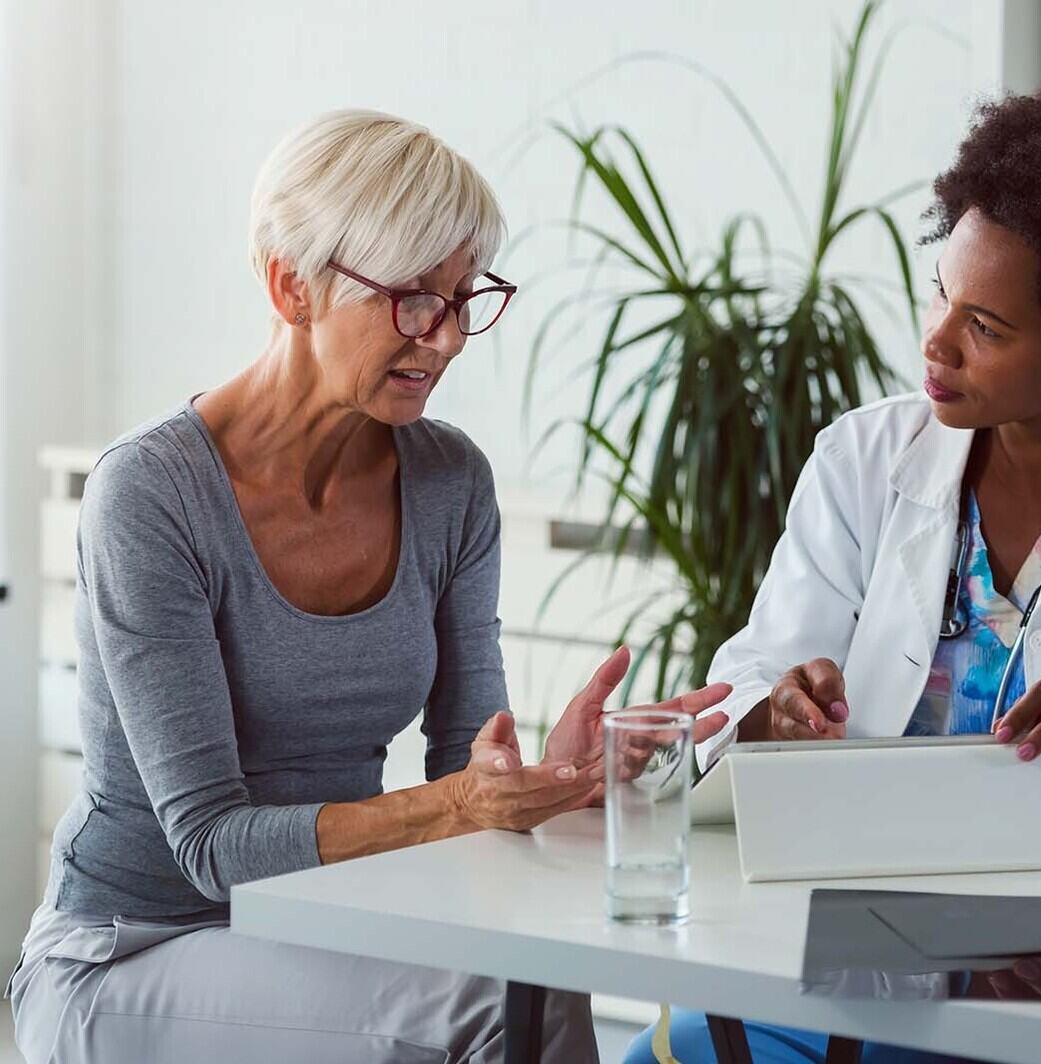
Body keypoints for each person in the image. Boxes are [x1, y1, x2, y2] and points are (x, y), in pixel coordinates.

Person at [4, 109, 730, 1064]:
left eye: (465, 297)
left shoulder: (450, 483)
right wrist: (466, 803)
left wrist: (546, 783)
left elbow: (463, 772)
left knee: (528, 989)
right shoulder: (150, 493)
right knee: (499, 1010)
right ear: (290, 285)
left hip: (323, 930)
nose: (447, 337)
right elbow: (212, 847)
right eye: (411, 298)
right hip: (131, 948)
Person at [627, 82, 1041, 1064]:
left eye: (987, 326)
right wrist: (773, 708)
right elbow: (746, 678)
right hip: (844, 938)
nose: (934, 341)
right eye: (940, 293)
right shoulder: (863, 458)